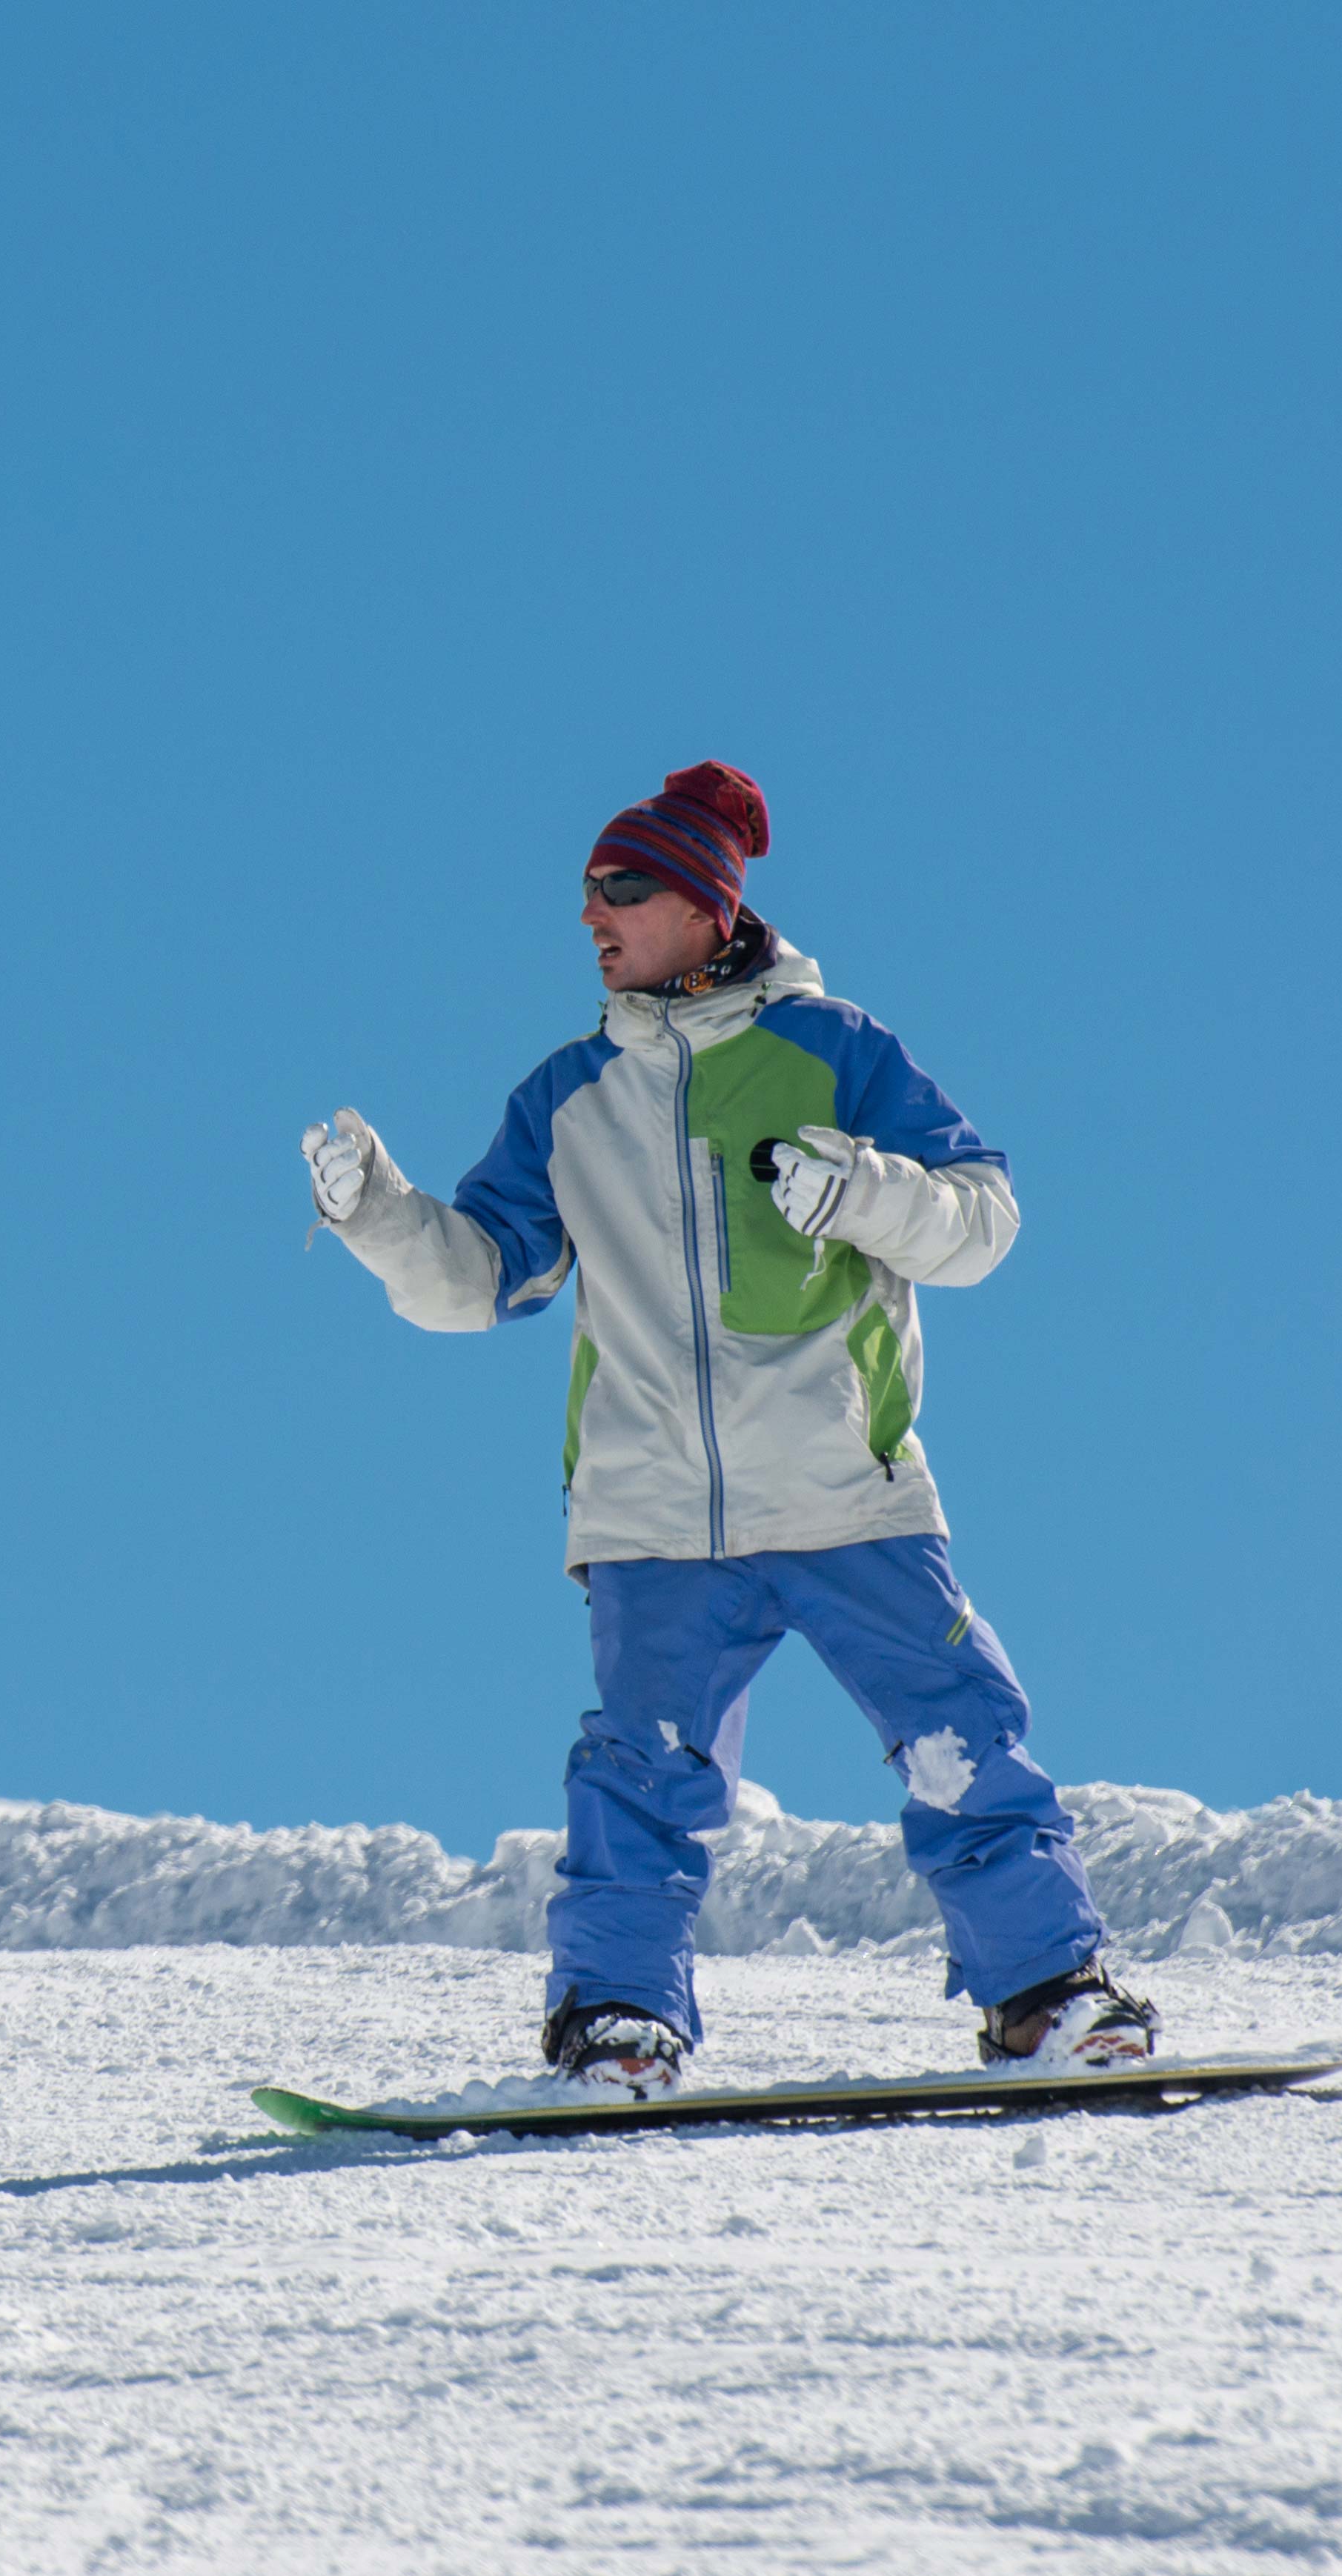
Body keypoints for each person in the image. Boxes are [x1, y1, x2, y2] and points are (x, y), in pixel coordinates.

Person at [300, 762, 1152, 2094]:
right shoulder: (569, 1097)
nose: (594, 913)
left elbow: (979, 1222)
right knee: (637, 1778)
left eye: (623, 888)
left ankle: (1049, 1997)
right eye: (584, 893)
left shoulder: (838, 1052)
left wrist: (864, 1191)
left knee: (959, 1741)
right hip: (651, 1518)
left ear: (705, 906)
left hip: (843, 1493)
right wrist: (382, 1222)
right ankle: (619, 2024)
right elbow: (482, 1281)